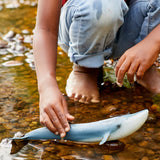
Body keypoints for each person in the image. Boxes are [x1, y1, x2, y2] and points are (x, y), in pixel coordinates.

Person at [33, 0, 160, 138]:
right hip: (81, 23)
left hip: (130, 28)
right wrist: (46, 86)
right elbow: (45, 29)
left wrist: (153, 42)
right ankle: (85, 67)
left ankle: (142, 66)